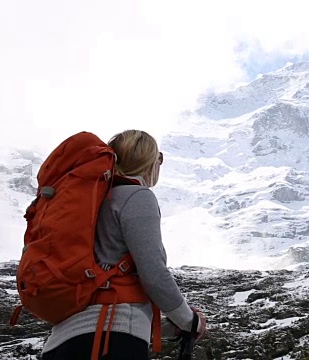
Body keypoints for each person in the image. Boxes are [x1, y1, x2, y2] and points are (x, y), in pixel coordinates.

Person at [41, 129, 206, 359]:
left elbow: (102, 286)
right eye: (159, 157)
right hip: (110, 340)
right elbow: (154, 274)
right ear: (149, 161)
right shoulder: (137, 196)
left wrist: (168, 328)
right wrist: (189, 320)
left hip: (61, 342)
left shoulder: (93, 201)